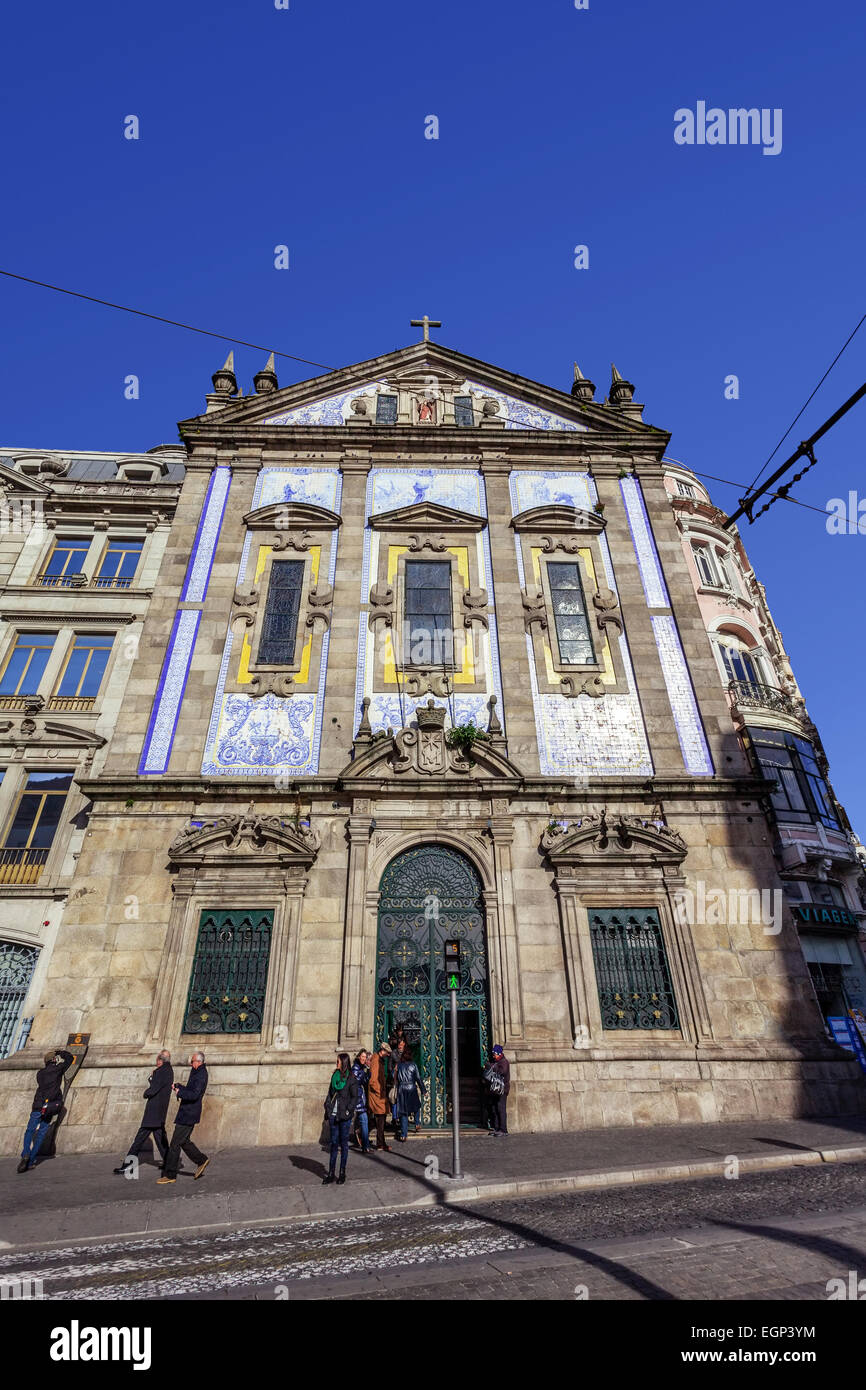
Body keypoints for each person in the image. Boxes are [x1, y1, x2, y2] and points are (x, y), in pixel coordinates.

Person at [114, 1050, 173, 1174]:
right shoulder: (169, 1071)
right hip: (160, 1112)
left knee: (139, 1140)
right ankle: (170, 1163)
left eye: (157, 1059)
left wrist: (146, 1091)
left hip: (152, 1112)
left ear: (160, 1060)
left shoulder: (159, 1071)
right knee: (161, 1141)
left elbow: (153, 1089)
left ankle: (127, 1165)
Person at [17, 1047, 75, 1173]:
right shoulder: (58, 1070)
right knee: (42, 1132)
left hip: (38, 1105)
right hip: (49, 1107)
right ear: (54, 1060)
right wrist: (60, 1052)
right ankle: (31, 1160)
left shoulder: (40, 1073)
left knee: (30, 1131)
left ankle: (25, 1153)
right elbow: (70, 1058)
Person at [156, 1051, 210, 1184]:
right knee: (184, 1141)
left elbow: (195, 1094)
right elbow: (191, 1090)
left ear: (198, 1062)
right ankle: (201, 1160)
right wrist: (179, 1087)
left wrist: (181, 1092)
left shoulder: (201, 1074)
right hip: (187, 1112)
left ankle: (170, 1175)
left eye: (193, 1061)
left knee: (175, 1143)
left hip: (189, 1113)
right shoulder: (197, 1072)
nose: (191, 1063)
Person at [322, 1052, 359, 1185]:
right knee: (333, 1144)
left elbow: (355, 1097)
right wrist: (328, 1106)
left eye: (338, 1061)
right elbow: (329, 1093)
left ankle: (342, 1172)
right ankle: (331, 1173)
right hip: (333, 1115)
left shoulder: (351, 1078)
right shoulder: (335, 1076)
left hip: (344, 1116)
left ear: (343, 1062)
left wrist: (349, 1111)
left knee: (344, 1145)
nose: (336, 1063)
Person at [393, 1045, 426, 1143]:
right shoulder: (413, 1065)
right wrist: (423, 1090)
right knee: (416, 1106)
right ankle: (417, 1123)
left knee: (403, 1112)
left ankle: (403, 1135)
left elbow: (394, 1077)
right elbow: (418, 1078)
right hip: (411, 1088)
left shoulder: (398, 1065)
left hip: (402, 1089)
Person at [367, 1042, 392, 1152]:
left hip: (379, 1095)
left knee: (379, 1120)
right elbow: (373, 1081)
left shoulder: (379, 1060)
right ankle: (380, 1143)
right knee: (380, 1120)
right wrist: (379, 1092)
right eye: (387, 1053)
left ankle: (380, 1143)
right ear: (383, 1051)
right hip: (377, 1096)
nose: (388, 1055)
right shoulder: (376, 1060)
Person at [483, 1044, 511, 1136]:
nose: (493, 1055)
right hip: (495, 1090)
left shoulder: (504, 1062)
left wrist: (492, 1067)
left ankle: (503, 1129)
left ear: (499, 1053)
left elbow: (502, 1071)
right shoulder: (496, 1061)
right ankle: (497, 1128)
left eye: (494, 1053)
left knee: (500, 1108)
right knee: (495, 1109)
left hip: (502, 1090)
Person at [350, 1049, 372, 1154]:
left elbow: (365, 1081)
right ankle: (341, 1144)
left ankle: (365, 1145)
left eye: (365, 1057)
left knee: (364, 1121)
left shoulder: (362, 1068)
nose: (364, 1059)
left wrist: (368, 1071)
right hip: (355, 1097)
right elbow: (355, 1081)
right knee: (350, 1122)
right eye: (362, 1057)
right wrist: (364, 1073)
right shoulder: (355, 1068)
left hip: (359, 1097)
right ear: (359, 1057)